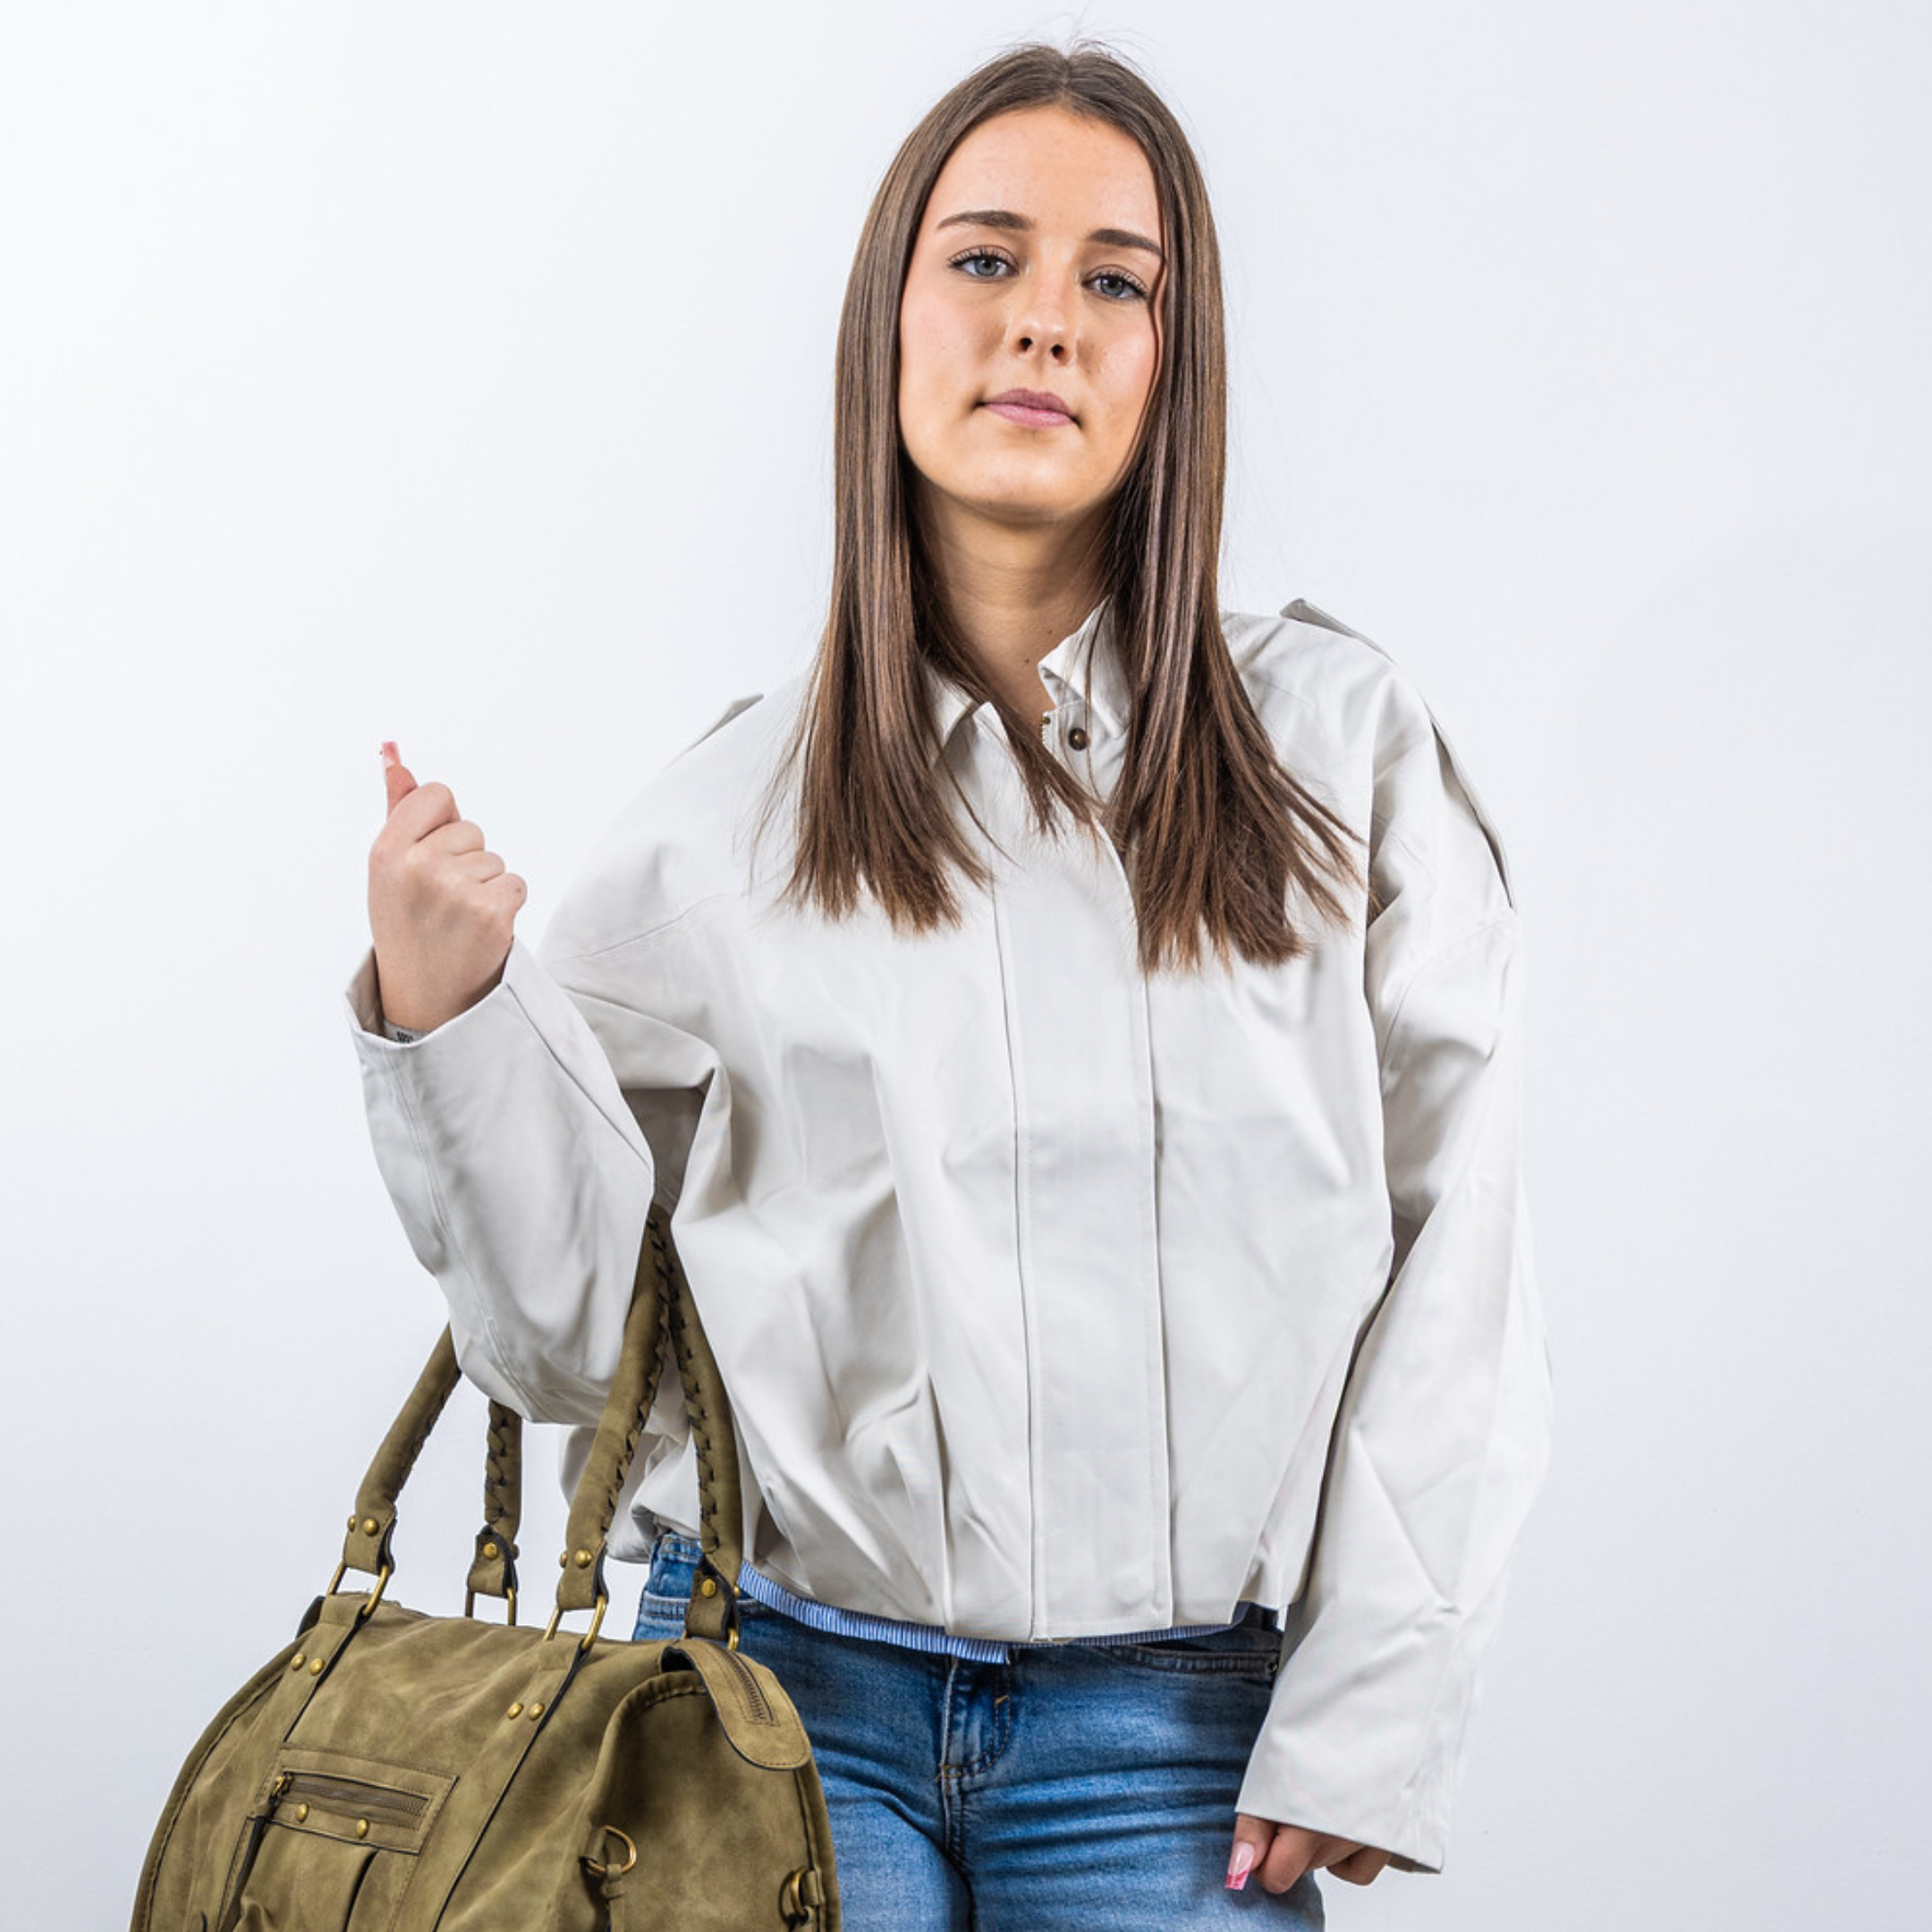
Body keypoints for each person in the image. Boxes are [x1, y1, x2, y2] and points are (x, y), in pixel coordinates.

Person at [346, 38, 1552, 1929]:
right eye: (984, 260)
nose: (1045, 326)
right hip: (765, 1700)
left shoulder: (1342, 759)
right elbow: (565, 1346)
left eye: (1114, 281)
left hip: (1183, 1745)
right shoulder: (719, 826)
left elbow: (1458, 1249)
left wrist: (1379, 1702)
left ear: (1177, 362)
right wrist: (448, 1015)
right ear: (886, 328)